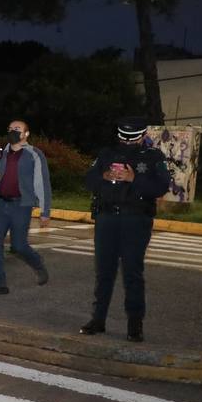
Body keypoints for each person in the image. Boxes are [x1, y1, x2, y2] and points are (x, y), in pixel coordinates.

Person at [79, 117, 170, 342]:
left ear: (141, 136)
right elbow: (88, 180)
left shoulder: (153, 157)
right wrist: (104, 176)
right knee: (104, 273)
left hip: (135, 220)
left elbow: (161, 186)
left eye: (132, 137)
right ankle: (98, 320)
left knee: (132, 273)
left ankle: (135, 325)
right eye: (124, 137)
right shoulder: (106, 154)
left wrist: (133, 178)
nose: (127, 142)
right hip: (107, 218)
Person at [0, 119, 52, 296]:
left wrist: (45, 211)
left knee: (19, 246)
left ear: (26, 134)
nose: (12, 130)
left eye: (17, 129)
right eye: (10, 128)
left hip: (21, 205)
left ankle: (37, 264)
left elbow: (42, 183)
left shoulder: (34, 154)